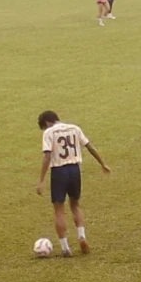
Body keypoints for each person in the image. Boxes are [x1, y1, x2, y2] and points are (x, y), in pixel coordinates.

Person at [36, 110, 111, 257]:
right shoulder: (75, 128)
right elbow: (89, 146)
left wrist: (41, 180)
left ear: (46, 123)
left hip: (59, 171)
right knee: (75, 204)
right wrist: (103, 163)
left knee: (59, 208)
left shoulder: (49, 133)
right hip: (75, 170)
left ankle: (65, 248)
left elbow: (47, 156)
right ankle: (81, 236)